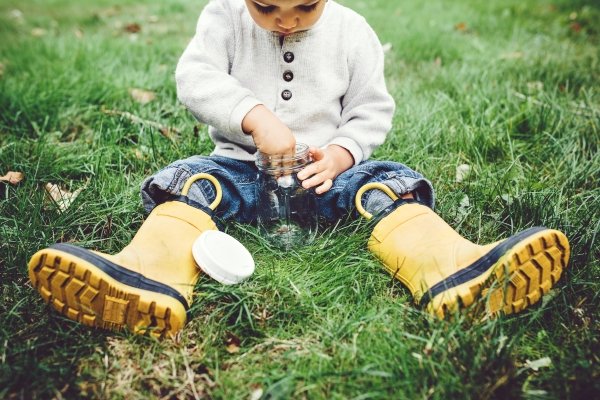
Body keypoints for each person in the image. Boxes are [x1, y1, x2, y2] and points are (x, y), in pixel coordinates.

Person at [27, 0, 570, 337]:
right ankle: (149, 276)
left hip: (327, 179)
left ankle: (450, 268)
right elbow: (195, 77)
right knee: (192, 181)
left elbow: (370, 110)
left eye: (304, 8)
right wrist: (254, 117)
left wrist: (340, 153)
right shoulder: (223, 16)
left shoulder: (353, 31)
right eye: (266, 9)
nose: (285, 22)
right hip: (240, 171)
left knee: (384, 185)